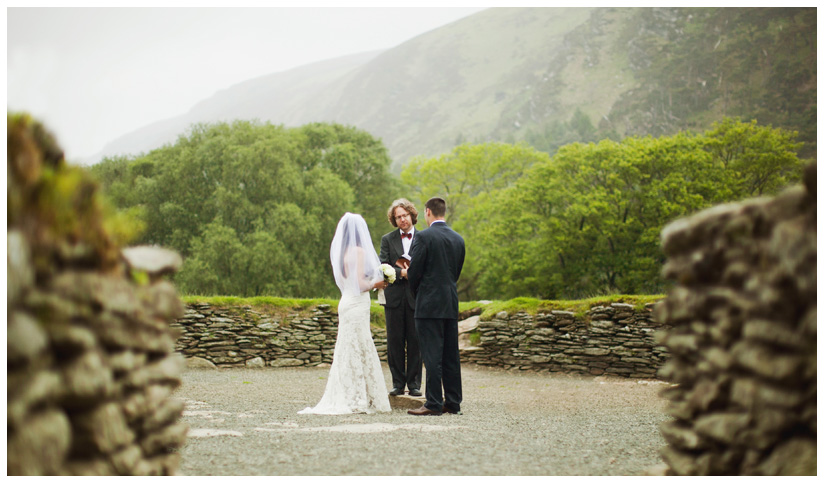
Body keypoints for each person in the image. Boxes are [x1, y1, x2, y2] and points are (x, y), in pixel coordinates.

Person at [299, 213, 391, 415]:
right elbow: (360, 284)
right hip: (357, 304)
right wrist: (377, 283)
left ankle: (352, 393)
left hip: (346, 302)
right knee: (359, 346)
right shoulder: (358, 251)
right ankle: (359, 397)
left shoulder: (342, 252)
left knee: (347, 348)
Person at [406, 197, 466, 416]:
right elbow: (455, 273)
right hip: (450, 302)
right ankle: (453, 402)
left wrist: (417, 293)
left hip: (429, 304)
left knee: (432, 355)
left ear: (428, 212)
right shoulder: (458, 239)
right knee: (451, 354)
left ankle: (432, 403)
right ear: (444, 212)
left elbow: (414, 273)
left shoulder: (423, 236)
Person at [378, 199, 423, 397]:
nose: (402, 219)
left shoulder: (424, 238)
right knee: (394, 341)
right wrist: (402, 273)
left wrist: (413, 274)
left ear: (412, 215)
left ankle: (414, 384)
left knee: (415, 341)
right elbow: (382, 265)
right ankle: (398, 383)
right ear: (394, 220)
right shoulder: (387, 239)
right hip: (394, 297)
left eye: (405, 215)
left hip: (417, 297)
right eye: (398, 217)